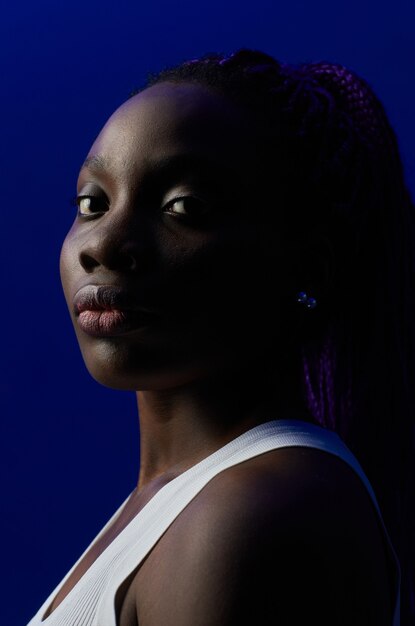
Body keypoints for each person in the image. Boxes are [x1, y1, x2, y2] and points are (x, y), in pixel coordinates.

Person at [27, 48, 414, 626]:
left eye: (183, 207)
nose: (103, 244)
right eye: (93, 203)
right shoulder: (188, 501)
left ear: (308, 268)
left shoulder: (245, 514)